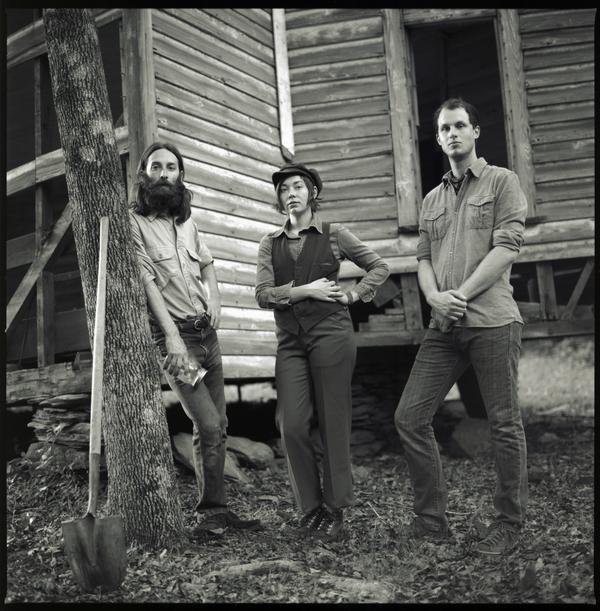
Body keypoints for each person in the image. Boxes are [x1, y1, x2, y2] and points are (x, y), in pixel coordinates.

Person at [394, 98, 528, 555]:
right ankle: (431, 521)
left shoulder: (502, 181)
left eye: (459, 126)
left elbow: (507, 248)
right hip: (443, 327)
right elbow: (423, 258)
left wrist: (461, 295)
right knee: (409, 417)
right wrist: (435, 298)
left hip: (492, 321)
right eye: (444, 129)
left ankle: (509, 525)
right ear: (437, 139)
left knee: (504, 424)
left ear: (475, 131)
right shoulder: (431, 200)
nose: (452, 134)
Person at [129, 142, 261, 537]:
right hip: (178, 341)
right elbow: (147, 283)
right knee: (207, 422)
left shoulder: (187, 222)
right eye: (156, 167)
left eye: (171, 167)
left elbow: (207, 263)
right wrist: (172, 338)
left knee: (219, 424)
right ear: (144, 174)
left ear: (180, 175)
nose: (164, 173)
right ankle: (210, 514)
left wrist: (216, 300)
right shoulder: (134, 223)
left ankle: (217, 510)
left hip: (207, 335)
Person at [255, 163, 389, 540]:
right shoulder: (270, 243)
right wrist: (306, 290)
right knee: (291, 423)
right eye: (284, 189)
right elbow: (263, 295)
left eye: (298, 186)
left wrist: (354, 295)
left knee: (333, 419)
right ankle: (309, 507)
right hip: (290, 340)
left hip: (331, 332)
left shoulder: (334, 234)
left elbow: (379, 267)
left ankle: (334, 509)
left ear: (312, 193)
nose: (291, 193)